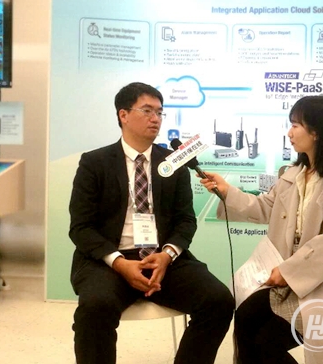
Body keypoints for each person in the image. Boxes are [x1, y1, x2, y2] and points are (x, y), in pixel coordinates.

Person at [200, 95, 323, 364]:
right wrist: (226, 192)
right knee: (245, 317)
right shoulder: (293, 174)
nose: (289, 133)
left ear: (317, 132)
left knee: (266, 343)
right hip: (288, 280)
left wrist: (288, 272)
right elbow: (265, 207)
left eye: (295, 125)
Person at [69, 82, 234, 364]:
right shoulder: (95, 163)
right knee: (94, 308)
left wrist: (167, 255)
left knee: (218, 301)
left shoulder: (173, 162)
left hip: (163, 258)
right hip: (109, 260)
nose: (155, 118)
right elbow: (81, 227)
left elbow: (185, 220)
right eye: (147, 111)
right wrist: (119, 263)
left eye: (159, 112)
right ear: (123, 115)